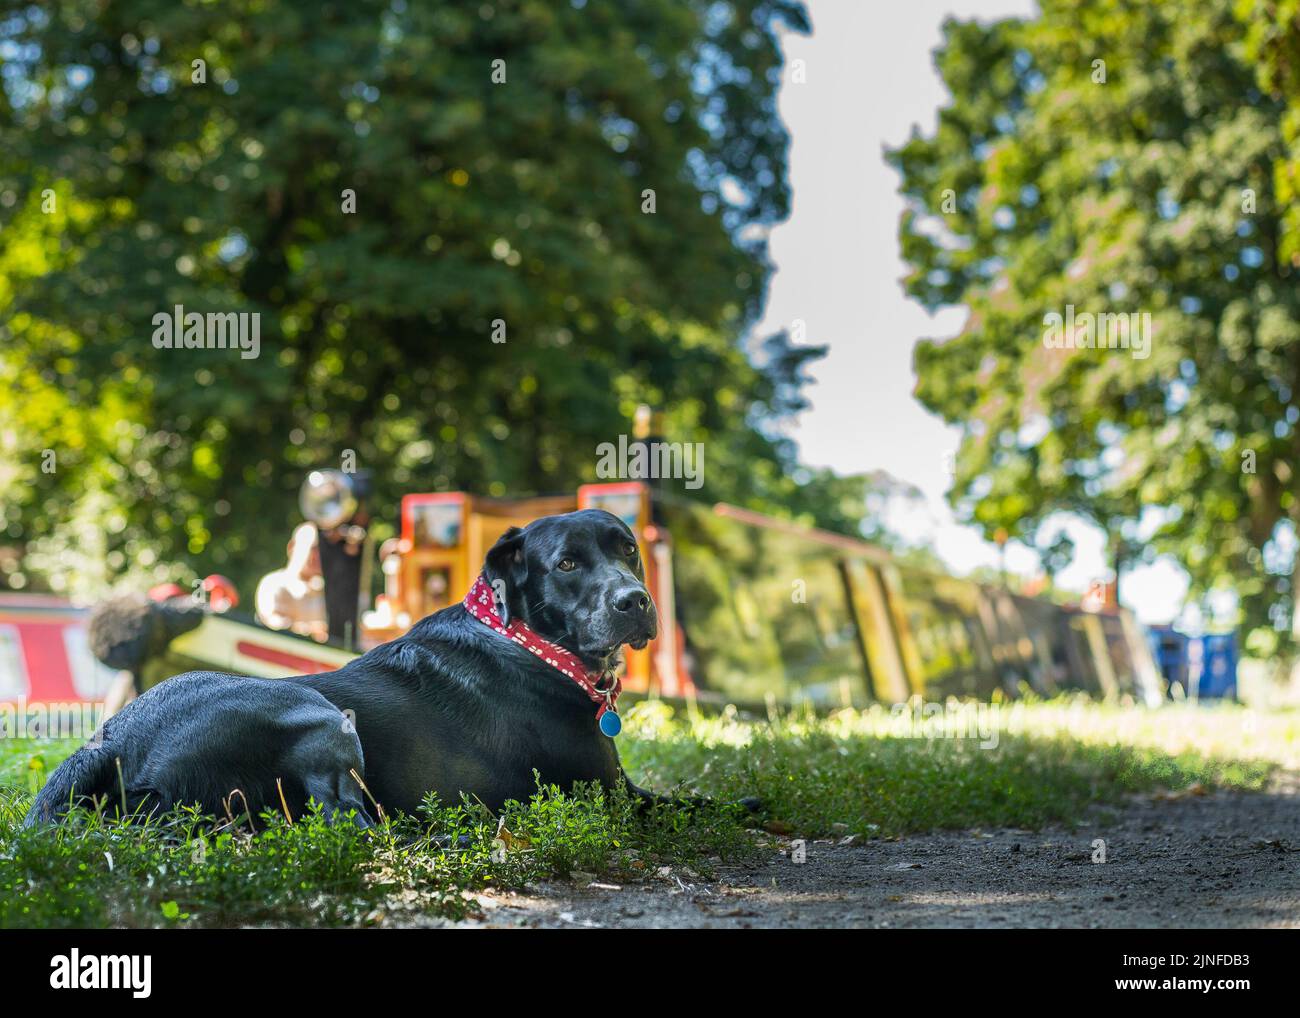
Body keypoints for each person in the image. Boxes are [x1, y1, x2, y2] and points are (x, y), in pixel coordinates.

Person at [254, 522, 329, 641]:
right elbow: (274, 624)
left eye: (323, 550)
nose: (318, 556)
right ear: (292, 547)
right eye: (313, 548)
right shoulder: (273, 583)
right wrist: (309, 631)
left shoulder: (330, 592)